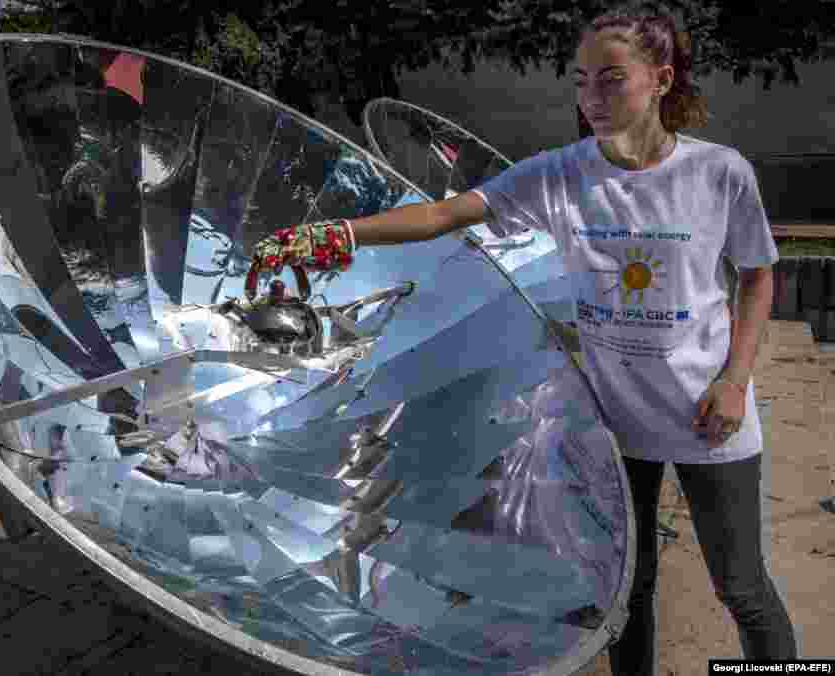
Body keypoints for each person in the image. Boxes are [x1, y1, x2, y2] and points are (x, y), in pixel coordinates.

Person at [245, 3, 797, 673]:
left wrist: (735, 381)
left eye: (611, 79)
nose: (591, 97)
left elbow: (758, 277)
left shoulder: (718, 173)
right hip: (614, 424)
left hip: (709, 416)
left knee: (741, 588)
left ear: (662, 78)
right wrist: (337, 233)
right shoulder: (559, 173)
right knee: (628, 588)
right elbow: (444, 214)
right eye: (580, 80)